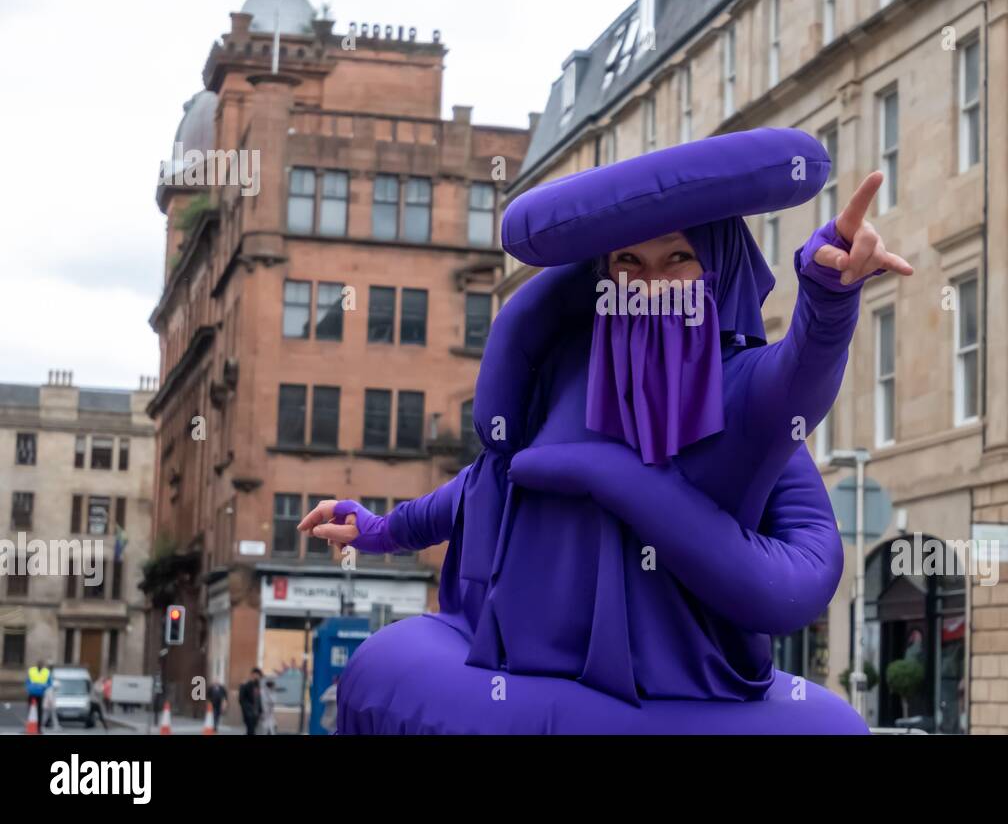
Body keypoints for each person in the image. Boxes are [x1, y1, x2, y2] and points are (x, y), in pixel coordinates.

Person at [303, 128, 912, 733]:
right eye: (630, 262)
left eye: (678, 258)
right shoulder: (569, 372)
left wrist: (829, 292)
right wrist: (380, 528)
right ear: (606, 277)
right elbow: (489, 485)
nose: (651, 283)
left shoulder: (741, 386)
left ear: (717, 268)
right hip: (531, 666)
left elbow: (801, 375)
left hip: (685, 686)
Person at [25, 660, 50, 733]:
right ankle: (29, 727)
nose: (40, 665)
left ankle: (39, 728)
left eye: (41, 664)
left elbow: (49, 683)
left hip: (40, 694)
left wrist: (44, 686)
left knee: (40, 712)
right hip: (32, 693)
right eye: (39, 664)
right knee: (30, 711)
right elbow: (27, 681)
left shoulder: (46, 672)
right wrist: (29, 688)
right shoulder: (32, 671)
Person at [238, 668, 263, 736]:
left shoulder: (260, 686)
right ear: (252, 675)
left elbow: (260, 700)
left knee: (252, 729)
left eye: (259, 675)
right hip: (249, 711)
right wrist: (246, 710)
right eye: (256, 675)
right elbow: (241, 699)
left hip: (257, 712)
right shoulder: (245, 685)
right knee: (250, 729)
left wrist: (260, 711)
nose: (257, 677)